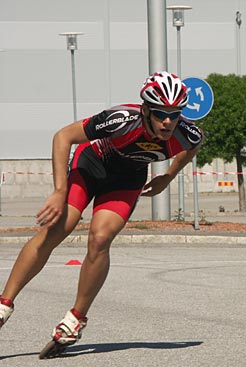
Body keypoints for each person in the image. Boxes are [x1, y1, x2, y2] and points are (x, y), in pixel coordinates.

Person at [0, 71, 204, 351]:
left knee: (99, 239)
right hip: (92, 164)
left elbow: (192, 147)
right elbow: (63, 137)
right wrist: (60, 191)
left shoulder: (187, 133)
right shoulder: (120, 119)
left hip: (126, 178)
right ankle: (4, 304)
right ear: (146, 110)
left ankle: (75, 320)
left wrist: (168, 176)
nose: (168, 121)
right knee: (60, 226)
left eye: (174, 113)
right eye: (160, 114)